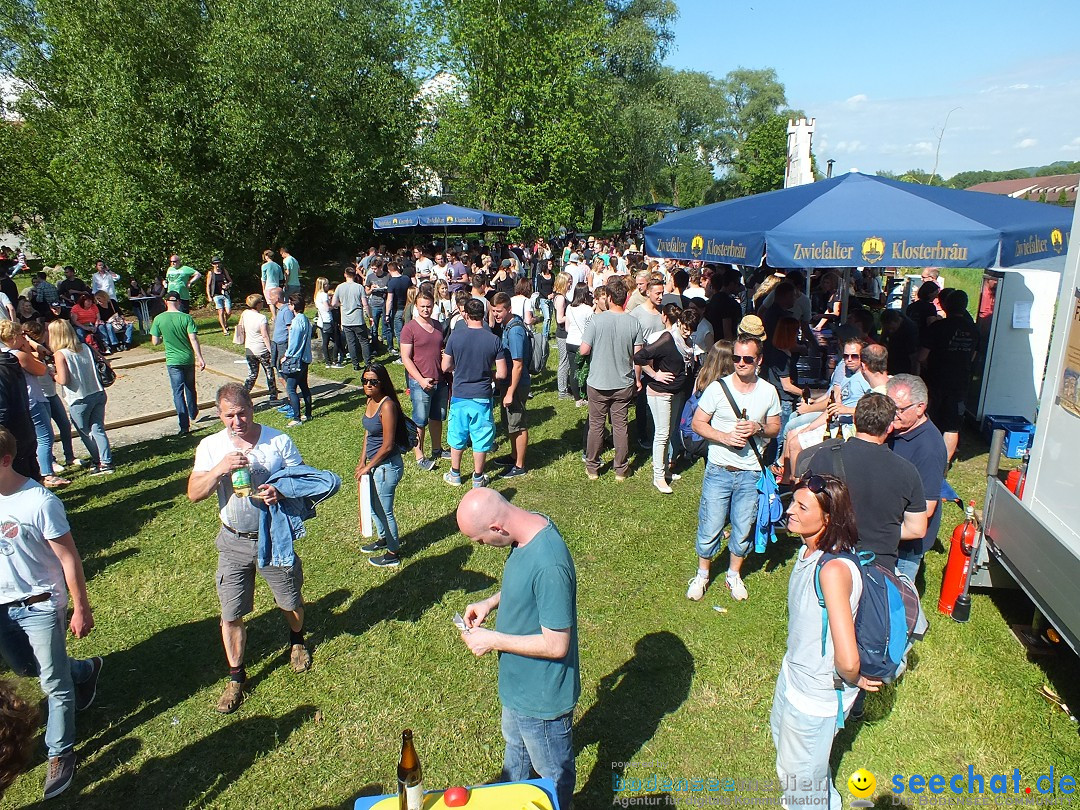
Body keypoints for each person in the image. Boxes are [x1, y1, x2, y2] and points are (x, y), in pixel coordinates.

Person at [186, 384, 312, 715]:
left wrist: (280, 493)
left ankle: (297, 641)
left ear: (252, 408)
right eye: (229, 415)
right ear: (219, 415)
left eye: (242, 413)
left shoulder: (277, 440)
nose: (237, 421)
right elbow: (193, 493)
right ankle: (235, 677)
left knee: (290, 599)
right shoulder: (210, 446)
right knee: (231, 612)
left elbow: (302, 480)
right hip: (233, 539)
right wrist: (218, 470)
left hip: (275, 536)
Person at [457, 488, 579, 810]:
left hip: (542, 700)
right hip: (518, 689)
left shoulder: (550, 564)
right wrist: (491, 601)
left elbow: (556, 644)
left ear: (497, 528)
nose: (481, 547)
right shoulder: (525, 533)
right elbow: (526, 587)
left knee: (552, 778)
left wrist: (491, 639)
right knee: (516, 769)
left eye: (480, 540)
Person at [0, 426, 101, 800]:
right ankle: (85, 670)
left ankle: (60, 753)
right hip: (2, 607)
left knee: (53, 685)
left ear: (7, 459)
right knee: (26, 668)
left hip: (40, 604)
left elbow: (68, 557)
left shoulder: (39, 502)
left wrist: (80, 606)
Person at [771, 473, 880, 810]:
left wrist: (853, 677)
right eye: (793, 501)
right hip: (794, 677)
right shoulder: (809, 551)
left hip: (815, 695)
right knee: (797, 762)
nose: (790, 510)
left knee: (799, 778)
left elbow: (847, 660)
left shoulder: (832, 571)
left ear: (829, 518)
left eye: (802, 507)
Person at [687, 336, 781, 602]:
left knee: (742, 527)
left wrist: (758, 428)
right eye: (736, 358)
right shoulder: (718, 389)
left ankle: (733, 575)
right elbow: (697, 423)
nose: (740, 363)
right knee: (711, 524)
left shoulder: (768, 392)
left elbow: (775, 428)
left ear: (758, 361)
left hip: (751, 472)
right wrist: (724, 437)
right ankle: (703, 575)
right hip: (719, 469)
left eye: (747, 359)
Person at [800, 393, 928, 572]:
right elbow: (917, 530)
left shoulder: (824, 457)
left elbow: (805, 509)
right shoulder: (907, 471)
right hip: (878, 566)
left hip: (829, 560)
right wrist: (883, 532)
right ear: (890, 427)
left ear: (854, 419)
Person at [580, 277, 643, 481]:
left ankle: (592, 467)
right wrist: (638, 379)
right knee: (620, 425)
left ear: (608, 297)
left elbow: (583, 350)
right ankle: (621, 469)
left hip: (598, 381)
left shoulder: (596, 320)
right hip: (623, 382)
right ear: (625, 298)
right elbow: (638, 356)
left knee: (596, 425)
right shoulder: (633, 322)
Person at [886, 375, 948, 583]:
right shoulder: (896, 428)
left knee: (899, 600)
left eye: (899, 409)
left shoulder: (929, 448)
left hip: (905, 546)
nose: (892, 414)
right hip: (888, 534)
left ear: (920, 407)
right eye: (889, 406)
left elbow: (927, 507)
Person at [441, 298, 507, 489]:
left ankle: (455, 474)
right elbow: (502, 373)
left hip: (460, 394)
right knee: (481, 436)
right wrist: (489, 373)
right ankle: (478, 477)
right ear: (484, 315)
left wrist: (458, 366)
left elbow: (445, 366)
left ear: (466, 315)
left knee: (457, 434)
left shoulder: (455, 337)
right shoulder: (494, 340)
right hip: (482, 395)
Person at [634, 304, 697, 493]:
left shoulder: (688, 342)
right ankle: (659, 477)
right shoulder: (668, 339)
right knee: (661, 434)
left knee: (669, 432)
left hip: (676, 392)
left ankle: (666, 472)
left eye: (691, 329)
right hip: (660, 392)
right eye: (685, 327)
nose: (687, 332)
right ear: (679, 323)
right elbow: (639, 356)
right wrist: (654, 375)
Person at [0, 322, 67, 488]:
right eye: (22, 335)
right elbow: (41, 369)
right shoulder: (18, 356)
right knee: (44, 437)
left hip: (27, 401)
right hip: (32, 401)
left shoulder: (7, 355)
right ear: (15, 336)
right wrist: (28, 348)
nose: (25, 337)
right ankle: (47, 473)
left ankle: (42, 474)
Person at [355, 363, 407, 568]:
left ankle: (393, 553)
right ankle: (383, 538)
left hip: (387, 467)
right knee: (372, 505)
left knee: (385, 510)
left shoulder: (387, 406)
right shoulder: (370, 401)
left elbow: (387, 445)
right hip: (374, 465)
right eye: (365, 381)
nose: (368, 385)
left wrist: (368, 467)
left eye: (373, 382)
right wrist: (362, 461)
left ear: (382, 383)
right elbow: (368, 433)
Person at [919, 289, 978, 464]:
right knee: (952, 426)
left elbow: (922, 356)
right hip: (960, 382)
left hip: (936, 379)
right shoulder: (973, 329)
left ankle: (926, 458)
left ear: (945, 306)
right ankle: (943, 464)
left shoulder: (938, 327)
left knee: (930, 419)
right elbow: (973, 356)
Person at [49, 320, 113, 475]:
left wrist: (52, 374)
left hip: (79, 397)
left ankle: (98, 461)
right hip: (97, 391)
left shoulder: (60, 354)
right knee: (98, 429)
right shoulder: (85, 346)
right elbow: (104, 361)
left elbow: (64, 380)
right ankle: (106, 462)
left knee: (85, 432)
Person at [400, 286, 449, 471]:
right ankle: (420, 455)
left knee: (438, 417)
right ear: (416, 306)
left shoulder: (437, 326)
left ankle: (437, 449)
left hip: (439, 380)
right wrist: (420, 380)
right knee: (420, 421)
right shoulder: (409, 328)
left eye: (428, 306)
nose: (425, 310)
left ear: (433, 305)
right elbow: (406, 357)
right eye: (422, 306)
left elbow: (440, 348)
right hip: (420, 383)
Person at [22, 321, 76, 475]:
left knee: (64, 425)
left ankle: (69, 456)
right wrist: (29, 341)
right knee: (46, 433)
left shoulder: (41, 349)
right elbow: (40, 354)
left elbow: (44, 352)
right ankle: (50, 461)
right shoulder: (27, 354)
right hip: (41, 397)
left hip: (51, 394)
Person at [150, 291, 206, 436]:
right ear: (179, 302)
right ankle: (193, 412)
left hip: (172, 360)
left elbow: (155, 342)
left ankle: (184, 425)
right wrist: (200, 357)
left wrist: (163, 338)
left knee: (177, 392)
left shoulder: (158, 319)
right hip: (187, 358)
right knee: (190, 387)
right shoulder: (186, 317)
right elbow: (193, 339)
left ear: (165, 302)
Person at [492, 292, 531, 478]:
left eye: (499, 311)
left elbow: (518, 364)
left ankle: (520, 465)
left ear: (509, 309)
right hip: (508, 383)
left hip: (516, 384)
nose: (496, 315)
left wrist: (510, 392)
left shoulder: (515, 330)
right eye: (493, 311)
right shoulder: (506, 326)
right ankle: (514, 455)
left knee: (518, 423)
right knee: (510, 423)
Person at [279, 293, 313, 428]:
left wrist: (286, 356)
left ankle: (296, 417)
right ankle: (308, 413)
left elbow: (294, 342)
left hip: (296, 359)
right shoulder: (305, 319)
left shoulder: (296, 321)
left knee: (291, 388)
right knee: (304, 386)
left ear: (293, 305)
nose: (288, 305)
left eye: (290, 303)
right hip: (305, 358)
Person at [239, 294, 279, 403]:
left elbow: (240, 327)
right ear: (258, 304)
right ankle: (273, 396)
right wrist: (271, 350)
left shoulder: (245, 313)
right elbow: (265, 336)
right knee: (269, 372)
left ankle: (243, 395)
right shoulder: (262, 318)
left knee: (252, 374)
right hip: (261, 349)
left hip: (249, 349)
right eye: (261, 301)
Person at [564, 283, 593, 407]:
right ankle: (584, 395)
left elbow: (567, 327)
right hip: (582, 342)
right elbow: (590, 328)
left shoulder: (569, 307)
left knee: (574, 369)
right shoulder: (588, 309)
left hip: (570, 341)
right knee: (586, 369)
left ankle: (577, 399)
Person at [553, 273, 573, 400]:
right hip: (562, 333)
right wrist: (573, 315)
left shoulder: (562, 296)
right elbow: (559, 319)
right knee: (564, 361)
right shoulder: (560, 298)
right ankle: (562, 391)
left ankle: (565, 386)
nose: (571, 284)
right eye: (569, 281)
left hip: (566, 332)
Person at [365, 260, 391, 354]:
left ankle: (389, 346)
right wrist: (371, 289)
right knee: (374, 327)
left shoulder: (387, 276)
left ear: (380, 267)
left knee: (387, 326)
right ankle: (375, 347)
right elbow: (366, 292)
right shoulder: (370, 277)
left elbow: (391, 290)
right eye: (372, 269)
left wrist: (385, 290)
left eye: (375, 269)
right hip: (374, 304)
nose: (373, 271)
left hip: (384, 304)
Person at [386, 262, 411, 354]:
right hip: (408, 308)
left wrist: (387, 314)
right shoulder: (406, 279)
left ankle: (403, 355)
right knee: (409, 332)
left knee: (399, 333)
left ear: (389, 271)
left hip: (398, 310)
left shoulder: (391, 283)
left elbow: (390, 300)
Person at [206, 258, 233, 335]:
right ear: (212, 264)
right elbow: (208, 285)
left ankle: (225, 321)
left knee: (228, 311)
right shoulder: (211, 273)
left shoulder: (224, 271)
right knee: (220, 311)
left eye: (218, 263)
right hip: (216, 295)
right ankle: (224, 329)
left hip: (225, 294)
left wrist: (227, 285)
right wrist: (209, 296)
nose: (217, 265)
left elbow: (230, 281)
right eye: (215, 263)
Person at [260, 249, 285, 317]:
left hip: (268, 287)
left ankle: (274, 317)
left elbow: (263, 279)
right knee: (279, 303)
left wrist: (263, 289)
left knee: (271, 304)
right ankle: (282, 316)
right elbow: (281, 278)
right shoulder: (278, 266)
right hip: (277, 287)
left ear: (266, 256)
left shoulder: (264, 266)